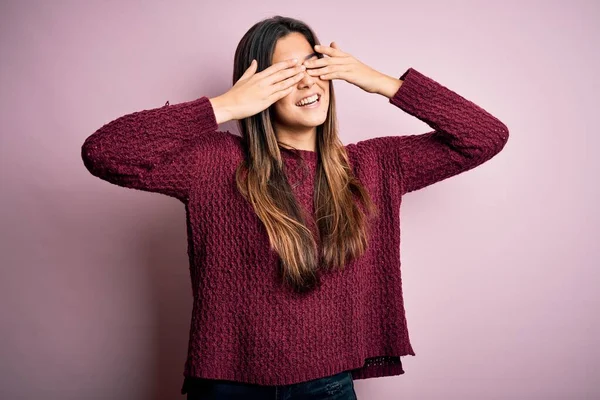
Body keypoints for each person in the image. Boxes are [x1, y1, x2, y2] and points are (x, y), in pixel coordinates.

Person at [81, 15, 509, 400]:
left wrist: (380, 81)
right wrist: (225, 105)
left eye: (313, 67)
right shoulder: (213, 162)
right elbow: (105, 152)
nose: (307, 83)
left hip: (327, 385)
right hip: (228, 387)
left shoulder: (374, 165)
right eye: (286, 74)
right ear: (258, 87)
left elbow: (485, 136)